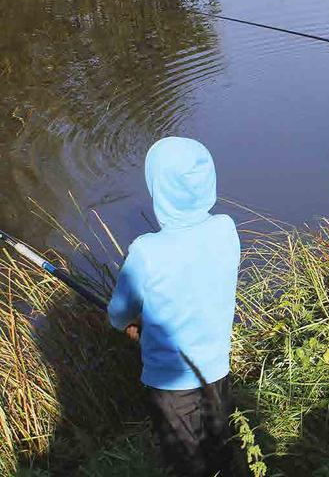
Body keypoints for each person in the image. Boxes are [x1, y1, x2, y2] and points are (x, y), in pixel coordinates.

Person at [108, 137, 240, 477]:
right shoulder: (226, 229)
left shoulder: (146, 252)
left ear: (158, 191)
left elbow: (117, 314)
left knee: (184, 464)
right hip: (217, 372)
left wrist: (135, 322)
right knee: (220, 446)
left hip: (171, 385)